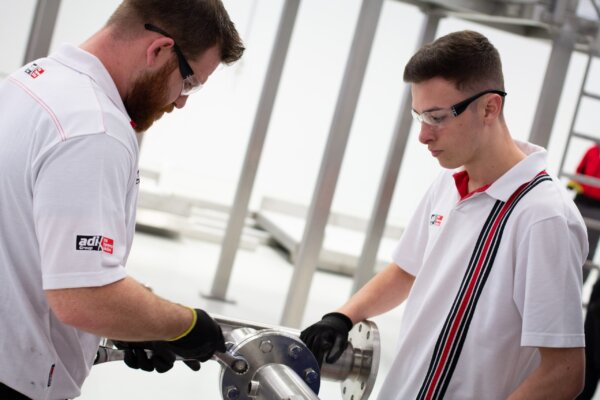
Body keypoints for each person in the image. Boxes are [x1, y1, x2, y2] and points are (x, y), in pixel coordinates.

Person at [301, 30, 588, 399]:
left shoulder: (544, 217)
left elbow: (564, 373)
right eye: (419, 116)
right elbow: (407, 270)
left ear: (489, 108)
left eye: (437, 117)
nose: (423, 135)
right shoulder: (449, 183)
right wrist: (344, 316)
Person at [0, 1, 244, 399]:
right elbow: (84, 298)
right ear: (159, 50)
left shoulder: (33, 79)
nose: (181, 101)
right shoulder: (95, 129)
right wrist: (185, 326)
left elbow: (33, 243)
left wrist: (135, 319)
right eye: (189, 82)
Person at [570, 144, 600, 399]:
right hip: (587, 204)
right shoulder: (593, 151)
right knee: (575, 265)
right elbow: (580, 173)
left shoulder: (593, 150)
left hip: (591, 207)